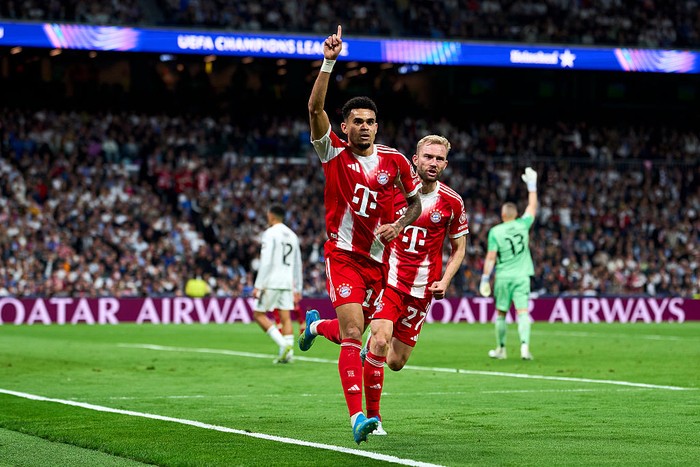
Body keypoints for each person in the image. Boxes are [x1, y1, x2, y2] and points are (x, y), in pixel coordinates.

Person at [300, 24, 422, 444]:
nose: (366, 127)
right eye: (357, 122)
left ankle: (315, 328)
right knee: (355, 333)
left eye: (371, 121)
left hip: (380, 263)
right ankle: (358, 419)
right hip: (344, 255)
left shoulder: (397, 162)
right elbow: (315, 109)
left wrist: (400, 224)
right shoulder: (332, 151)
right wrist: (329, 62)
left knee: (363, 331)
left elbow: (417, 203)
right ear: (345, 126)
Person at [300, 135, 468, 436]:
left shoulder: (452, 202)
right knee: (373, 339)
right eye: (427, 156)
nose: (433, 162)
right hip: (387, 281)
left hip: (421, 291)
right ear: (414, 160)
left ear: (445, 163)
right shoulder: (393, 190)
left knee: (395, 361)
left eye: (439, 158)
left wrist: (445, 279)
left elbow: (459, 248)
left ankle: (315, 326)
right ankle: (373, 420)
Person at [479, 167, 538, 360]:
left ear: (503, 215)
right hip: (522, 276)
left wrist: (485, 278)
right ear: (514, 214)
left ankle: (501, 349)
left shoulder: (496, 231)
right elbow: (532, 208)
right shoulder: (523, 225)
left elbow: (491, 257)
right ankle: (524, 348)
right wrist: (532, 186)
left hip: (504, 276)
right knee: (523, 312)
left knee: (501, 313)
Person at [252, 204, 303, 364]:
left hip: (271, 281)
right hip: (287, 282)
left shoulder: (270, 233)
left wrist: (258, 285)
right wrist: (298, 287)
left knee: (258, 314)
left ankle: (283, 345)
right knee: (286, 317)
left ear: (271, 216)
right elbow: (297, 263)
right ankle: (288, 355)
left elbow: (266, 261)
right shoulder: (293, 235)